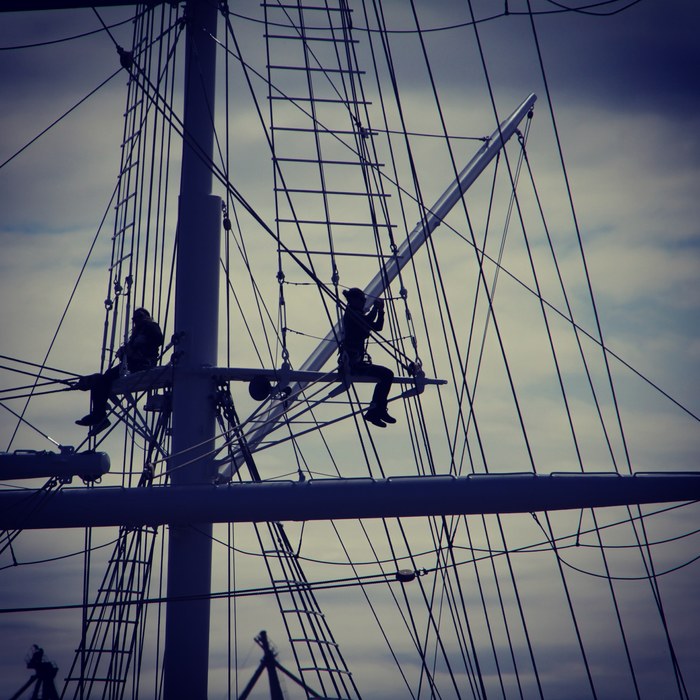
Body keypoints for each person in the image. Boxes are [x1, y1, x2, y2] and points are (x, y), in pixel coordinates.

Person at [75, 307, 164, 435]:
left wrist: (137, 343)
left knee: (102, 380)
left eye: (140, 316)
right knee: (100, 379)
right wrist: (124, 352)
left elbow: (158, 339)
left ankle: (99, 415)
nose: (138, 320)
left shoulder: (151, 327)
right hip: (131, 365)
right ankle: (99, 415)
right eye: (135, 318)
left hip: (143, 365)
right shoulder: (136, 333)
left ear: (147, 316)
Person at [340, 287, 395, 428]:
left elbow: (377, 326)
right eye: (362, 300)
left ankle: (377, 410)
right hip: (353, 364)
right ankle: (376, 410)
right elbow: (366, 321)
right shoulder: (351, 314)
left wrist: (381, 311)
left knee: (386, 375)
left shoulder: (356, 314)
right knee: (387, 374)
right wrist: (376, 309)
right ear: (354, 300)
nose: (364, 302)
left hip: (357, 362)